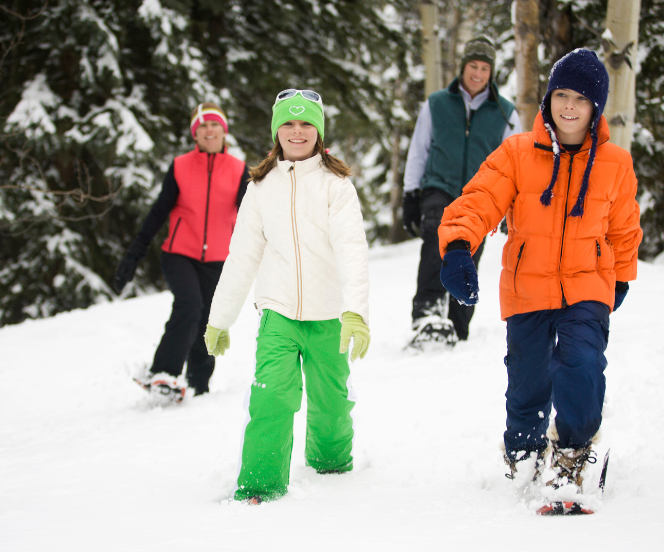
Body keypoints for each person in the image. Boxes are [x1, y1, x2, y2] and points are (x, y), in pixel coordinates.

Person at [437, 49, 643, 502]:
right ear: (549, 98)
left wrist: (622, 276)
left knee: (582, 364)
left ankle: (572, 452)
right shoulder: (516, 153)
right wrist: (457, 246)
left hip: (588, 283)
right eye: (561, 95)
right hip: (528, 285)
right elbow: (479, 200)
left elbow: (625, 227)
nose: (569, 107)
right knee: (527, 382)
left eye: (581, 99)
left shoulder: (616, 164)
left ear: (596, 108)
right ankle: (524, 449)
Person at [204, 89, 370, 504]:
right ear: (277, 130)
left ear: (318, 131)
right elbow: (241, 256)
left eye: (306, 123)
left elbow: (352, 248)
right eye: (289, 124)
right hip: (277, 313)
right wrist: (219, 318)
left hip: (329, 315)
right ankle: (260, 483)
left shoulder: (336, 185)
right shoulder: (261, 187)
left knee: (331, 403)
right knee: (271, 395)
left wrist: (355, 313)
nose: (298, 131)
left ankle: (330, 462)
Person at [113, 102, 249, 400]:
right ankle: (163, 373)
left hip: (217, 259)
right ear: (195, 134)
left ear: (224, 130)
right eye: (202, 127)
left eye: (214, 125)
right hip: (179, 254)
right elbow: (158, 213)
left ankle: (199, 387)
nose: (209, 130)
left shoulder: (239, 170)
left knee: (208, 321)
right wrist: (132, 256)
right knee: (189, 306)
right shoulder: (180, 166)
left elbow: (253, 216)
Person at [402, 36, 521, 347]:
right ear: (463, 67)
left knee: (469, 250)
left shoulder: (506, 113)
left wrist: (512, 206)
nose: (478, 73)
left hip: (480, 195)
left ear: (491, 72)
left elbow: (517, 164)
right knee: (434, 239)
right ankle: (426, 315)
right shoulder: (437, 103)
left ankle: (457, 322)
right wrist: (410, 193)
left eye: (485, 68)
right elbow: (419, 149)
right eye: (473, 66)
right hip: (438, 186)